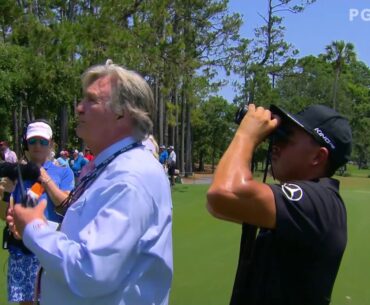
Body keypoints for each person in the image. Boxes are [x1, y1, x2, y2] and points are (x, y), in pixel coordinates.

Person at [8, 60, 173, 305]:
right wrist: (39, 224)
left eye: (91, 100)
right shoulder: (112, 166)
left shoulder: (130, 177)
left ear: (122, 113)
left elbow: (91, 270)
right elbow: (91, 241)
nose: (78, 108)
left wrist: (34, 230)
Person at [207, 104, 352, 305]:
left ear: (318, 156)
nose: (275, 143)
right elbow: (226, 201)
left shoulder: (320, 202)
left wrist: (247, 136)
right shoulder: (311, 202)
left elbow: (222, 194)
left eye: (286, 137)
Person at [2, 120, 74, 305]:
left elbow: (66, 206)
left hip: (52, 248)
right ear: (26, 143)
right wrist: (6, 194)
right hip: (22, 250)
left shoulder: (63, 172)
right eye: (33, 141)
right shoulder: (15, 171)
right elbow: (4, 214)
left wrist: (44, 178)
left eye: (43, 141)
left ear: (51, 143)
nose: (37, 146)